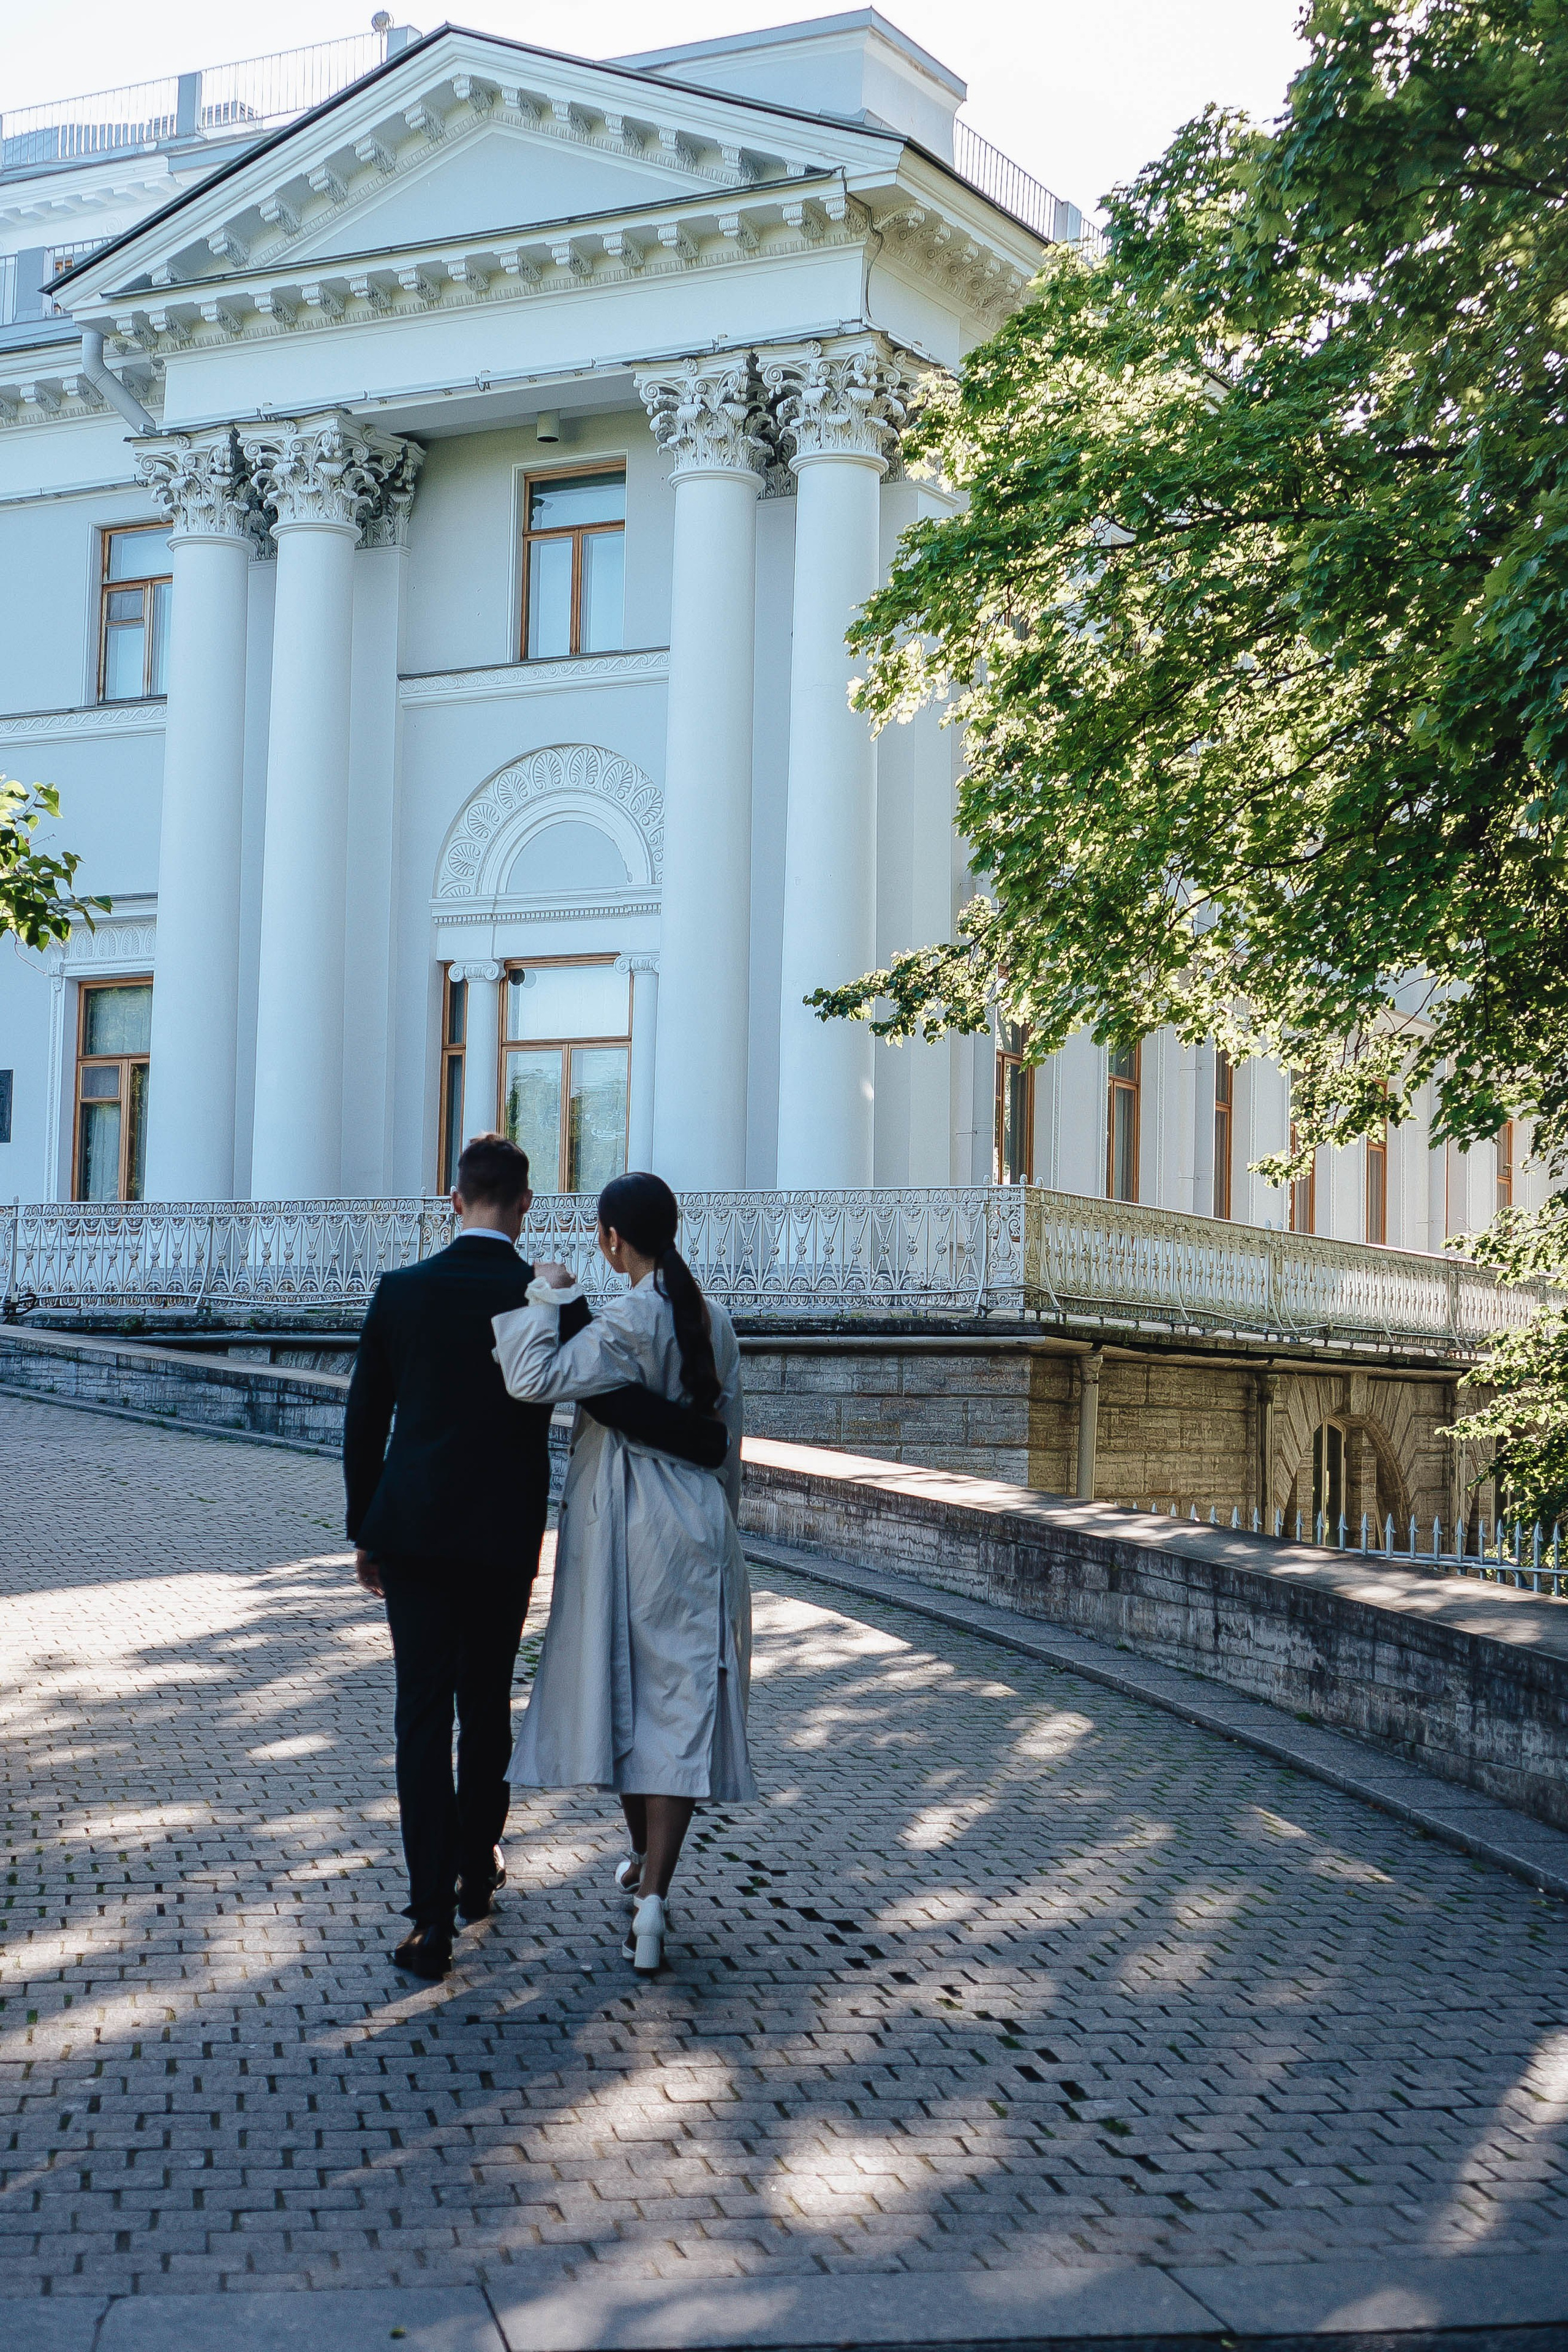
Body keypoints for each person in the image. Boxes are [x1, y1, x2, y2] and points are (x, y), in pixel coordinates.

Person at [343, 1134, 728, 1983]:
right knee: (485, 1704)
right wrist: (702, 1440)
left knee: (419, 1715)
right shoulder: (555, 1302)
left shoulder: (401, 1291)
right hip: (502, 1539)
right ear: (523, 1207)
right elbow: (611, 1392)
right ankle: (478, 1867)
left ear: (453, 1200)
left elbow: (366, 1418)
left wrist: (363, 1527)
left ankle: (429, 1921)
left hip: (410, 1533)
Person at [492, 1170, 755, 1977]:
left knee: (629, 1698)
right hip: (700, 1528)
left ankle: (642, 1864)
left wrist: (543, 1297)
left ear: (612, 1239)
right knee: (680, 1706)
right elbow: (730, 1445)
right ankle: (652, 1896)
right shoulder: (714, 1321)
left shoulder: (624, 1321)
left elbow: (531, 1379)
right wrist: (722, 1528)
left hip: (629, 1530)